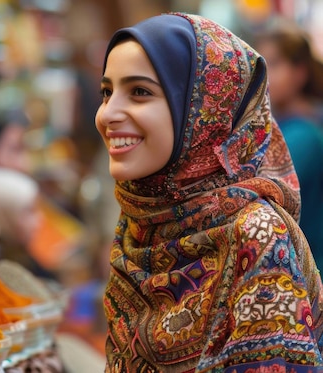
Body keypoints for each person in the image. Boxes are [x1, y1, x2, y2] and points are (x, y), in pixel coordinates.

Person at [96, 12, 323, 372]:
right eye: (107, 92)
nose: (108, 113)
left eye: (139, 92)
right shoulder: (140, 223)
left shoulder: (256, 235)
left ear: (204, 112)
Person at [253, 23, 323, 267]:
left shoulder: (305, 132)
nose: (264, 75)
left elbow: (263, 189)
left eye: (273, 63)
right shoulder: (270, 124)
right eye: (260, 65)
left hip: (308, 265)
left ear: (300, 72)